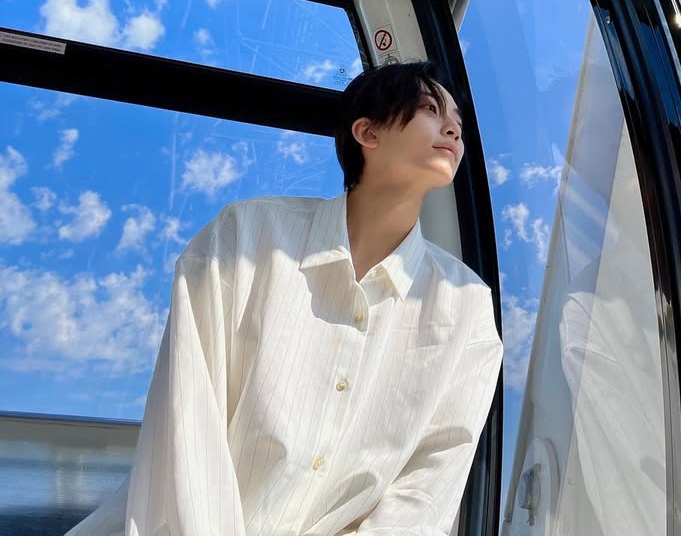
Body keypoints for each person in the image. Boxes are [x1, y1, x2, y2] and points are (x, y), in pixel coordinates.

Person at [68, 60, 504, 535]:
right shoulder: (245, 238)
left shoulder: (467, 308)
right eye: (430, 109)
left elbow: (429, 485)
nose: (453, 130)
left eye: (457, 122)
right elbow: (187, 425)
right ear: (368, 132)